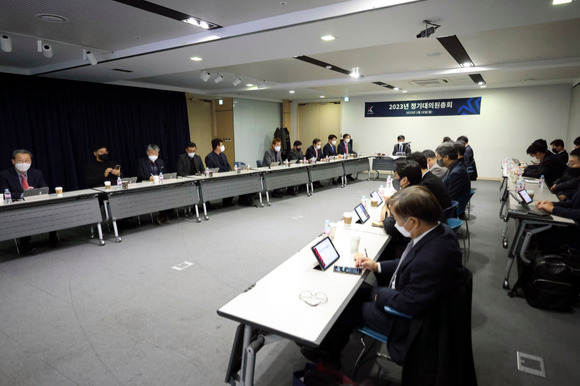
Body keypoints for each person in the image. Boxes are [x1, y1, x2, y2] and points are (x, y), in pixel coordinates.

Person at [301, 186, 468, 366]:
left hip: (406, 321)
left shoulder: (432, 257)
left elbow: (407, 303)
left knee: (340, 310)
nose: (394, 223)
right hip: (411, 298)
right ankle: (331, 347)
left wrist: (376, 294)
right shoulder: (439, 231)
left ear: (413, 221)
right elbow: (408, 264)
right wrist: (377, 266)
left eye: (395, 219)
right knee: (346, 296)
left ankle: (327, 357)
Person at [0, 149, 58, 252]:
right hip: (17, 205)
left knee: (50, 210)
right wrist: (23, 194)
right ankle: (24, 244)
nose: (24, 163)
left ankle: (53, 238)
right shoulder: (5, 175)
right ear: (13, 161)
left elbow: (44, 187)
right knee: (22, 214)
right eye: (20, 160)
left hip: (35, 203)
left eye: (27, 160)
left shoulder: (36, 173)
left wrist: (35, 192)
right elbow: (4, 193)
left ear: (30, 162)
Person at [379, 160, 423, 260]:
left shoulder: (408, 199)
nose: (395, 179)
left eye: (396, 177)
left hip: (408, 248)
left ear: (405, 180)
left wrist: (386, 208)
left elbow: (390, 226)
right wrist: (387, 205)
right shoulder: (419, 190)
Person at [536, 186, 580, 254]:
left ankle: (551, 261)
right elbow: (571, 204)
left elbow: (577, 213)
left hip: (576, 233)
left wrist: (553, 209)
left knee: (547, 235)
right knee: (543, 227)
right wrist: (552, 204)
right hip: (572, 227)